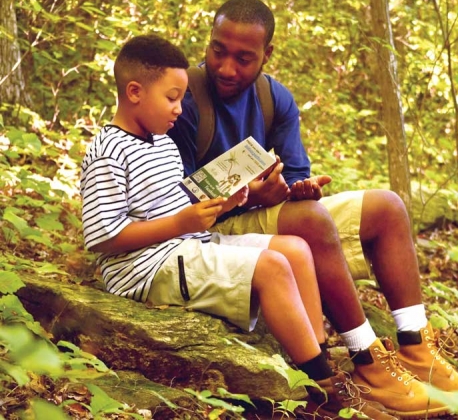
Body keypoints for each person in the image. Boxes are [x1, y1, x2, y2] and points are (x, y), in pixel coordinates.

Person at [168, 0, 458, 418]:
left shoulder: (273, 99)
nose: (227, 68)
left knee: (388, 207)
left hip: (258, 214)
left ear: (268, 54)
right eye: (217, 51)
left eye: (244, 58)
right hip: (207, 231)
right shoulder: (181, 98)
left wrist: (299, 189)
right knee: (311, 220)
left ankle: (416, 349)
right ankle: (368, 362)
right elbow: (171, 204)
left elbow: (298, 173)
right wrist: (253, 198)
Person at [79, 34, 396, 420]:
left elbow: (176, 206)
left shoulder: (161, 143)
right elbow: (103, 238)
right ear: (133, 92)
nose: (180, 109)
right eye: (172, 98)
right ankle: (328, 395)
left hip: (187, 243)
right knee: (272, 267)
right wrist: (181, 222)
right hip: (144, 268)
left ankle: (317, 369)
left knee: (294, 249)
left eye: (181, 99)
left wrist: (225, 202)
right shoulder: (107, 151)